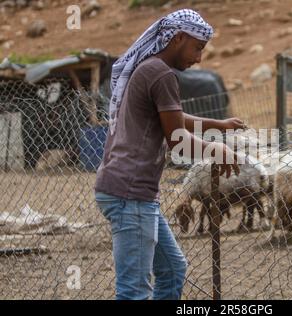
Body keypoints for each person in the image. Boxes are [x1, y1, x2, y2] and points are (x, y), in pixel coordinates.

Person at [94, 9, 245, 300]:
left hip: (131, 191)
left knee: (173, 269)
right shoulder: (161, 73)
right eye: (198, 48)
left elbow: (172, 117)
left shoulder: (148, 68)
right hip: (130, 193)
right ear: (178, 38)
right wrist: (216, 148)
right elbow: (177, 140)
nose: (199, 58)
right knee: (134, 291)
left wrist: (217, 125)